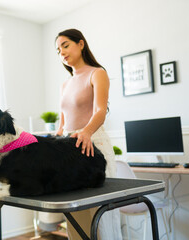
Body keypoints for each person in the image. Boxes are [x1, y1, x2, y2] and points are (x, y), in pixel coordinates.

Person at [55, 29, 122, 240]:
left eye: (65, 45)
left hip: (93, 144)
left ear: (81, 44)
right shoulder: (65, 84)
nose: (62, 52)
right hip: (69, 150)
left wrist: (85, 132)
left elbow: (101, 111)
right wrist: (54, 142)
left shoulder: (97, 73)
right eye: (58, 50)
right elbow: (63, 123)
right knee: (75, 213)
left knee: (101, 214)